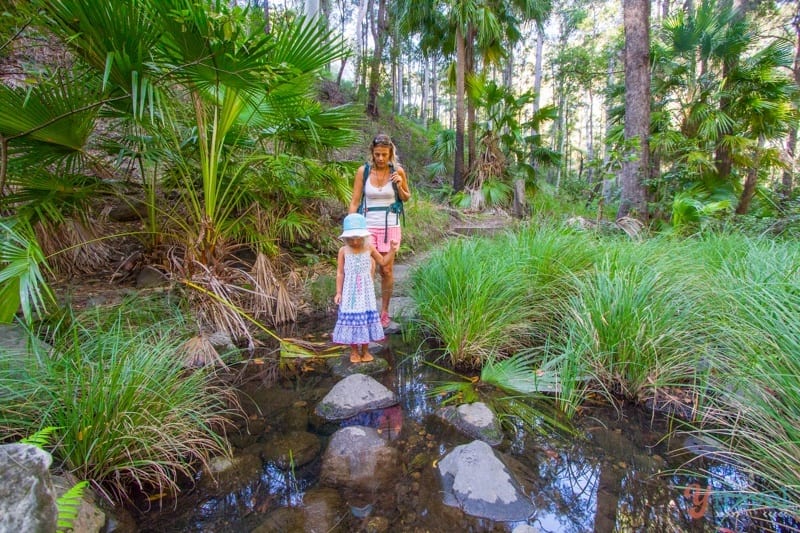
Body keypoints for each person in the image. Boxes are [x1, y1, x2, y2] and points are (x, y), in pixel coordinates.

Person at [348, 133, 411, 328]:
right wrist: (351, 228)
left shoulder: (398, 171)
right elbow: (355, 201)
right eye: (377, 154)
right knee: (368, 269)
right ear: (372, 153)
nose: (381, 158)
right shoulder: (363, 172)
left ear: (390, 153)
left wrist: (400, 186)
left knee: (386, 269)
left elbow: (406, 197)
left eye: (384, 154)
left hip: (390, 226)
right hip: (366, 226)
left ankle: (384, 312)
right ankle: (367, 309)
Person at [332, 213, 400, 363]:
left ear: (364, 237)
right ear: (345, 238)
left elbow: (383, 262)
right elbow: (340, 272)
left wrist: (392, 250)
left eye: (358, 238)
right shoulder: (343, 251)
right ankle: (354, 351)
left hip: (366, 291)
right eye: (351, 239)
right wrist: (338, 292)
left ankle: (366, 350)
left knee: (366, 318)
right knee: (352, 319)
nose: (355, 241)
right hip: (349, 291)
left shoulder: (369, 248)